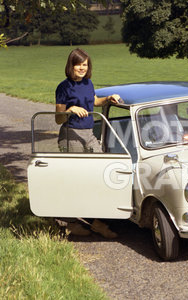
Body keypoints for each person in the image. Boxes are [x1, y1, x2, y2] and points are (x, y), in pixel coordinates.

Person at [55, 48, 122, 238]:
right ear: (71, 65)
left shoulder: (88, 83)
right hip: (71, 135)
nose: (82, 68)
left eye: (85, 64)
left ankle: (98, 222)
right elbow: (58, 118)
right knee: (77, 180)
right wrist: (70, 109)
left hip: (89, 134)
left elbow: (94, 101)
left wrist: (108, 98)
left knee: (101, 175)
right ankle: (71, 223)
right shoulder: (63, 87)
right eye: (79, 64)